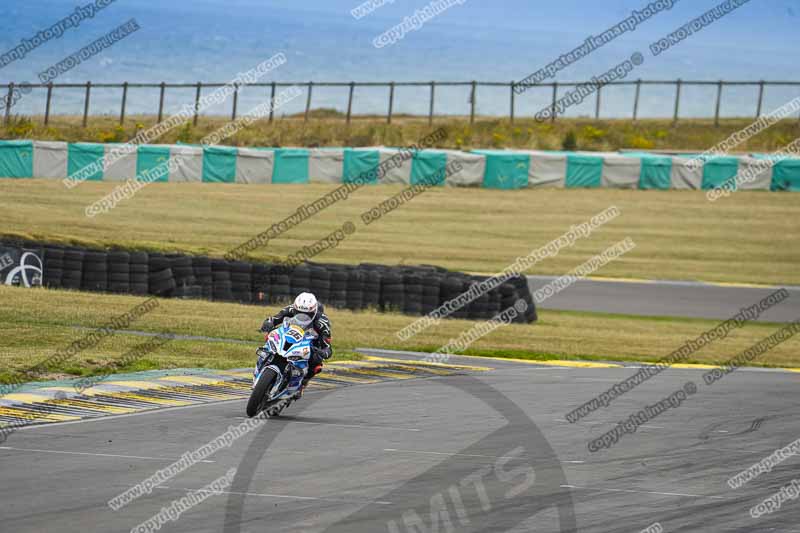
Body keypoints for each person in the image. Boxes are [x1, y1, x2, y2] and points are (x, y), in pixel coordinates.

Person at [258, 292, 332, 397]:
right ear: (296, 308)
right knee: (270, 337)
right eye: (299, 312)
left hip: (310, 340)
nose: (303, 315)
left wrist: (323, 352)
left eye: (308, 314)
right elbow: (275, 318)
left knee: (317, 363)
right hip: (290, 332)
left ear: (314, 312)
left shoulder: (322, 322)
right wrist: (268, 323)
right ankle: (263, 362)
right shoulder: (291, 309)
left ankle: (302, 383)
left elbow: (328, 346)